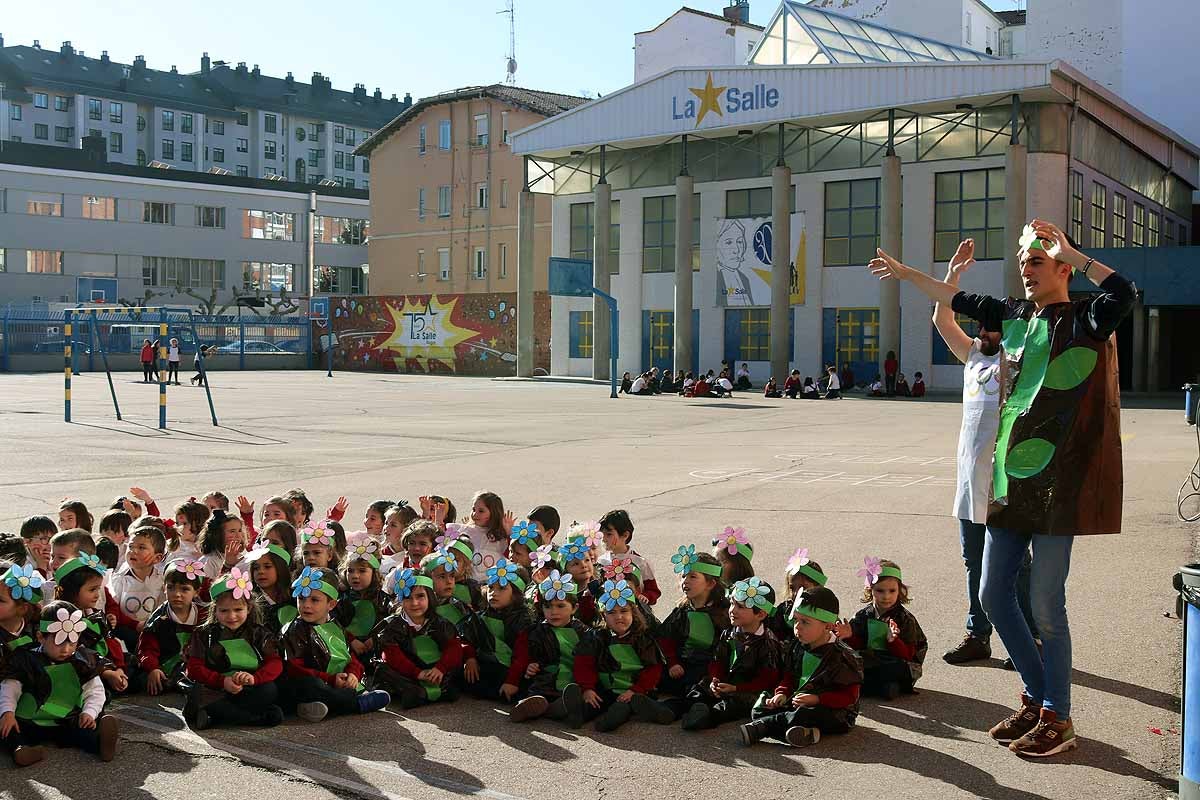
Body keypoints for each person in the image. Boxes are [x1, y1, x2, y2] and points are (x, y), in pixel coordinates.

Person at [868, 218, 1136, 756]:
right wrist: (907, 274)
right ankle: (1038, 700)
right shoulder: (1013, 317)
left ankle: (1057, 716)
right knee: (993, 594)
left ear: (1061, 268)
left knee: (1045, 604)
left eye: (1036, 263)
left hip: (1059, 486)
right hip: (1011, 482)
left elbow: (1124, 292)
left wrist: (1076, 254)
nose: (1027, 271)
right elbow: (954, 298)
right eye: (1024, 265)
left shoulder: (1088, 315)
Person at [930, 239, 1038, 670]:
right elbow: (942, 317)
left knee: (1016, 567)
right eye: (980, 328)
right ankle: (978, 633)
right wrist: (953, 275)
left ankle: (1027, 637)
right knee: (973, 560)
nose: (984, 334)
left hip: (1006, 482)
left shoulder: (1019, 360)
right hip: (969, 482)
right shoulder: (973, 354)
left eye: (992, 329)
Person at [739, 587, 862, 748]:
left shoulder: (843, 656)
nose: (797, 626)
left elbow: (849, 697)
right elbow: (789, 676)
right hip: (798, 702)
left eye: (805, 622)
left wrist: (817, 699)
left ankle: (764, 728)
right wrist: (782, 693)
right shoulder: (798, 645)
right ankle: (806, 734)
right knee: (760, 708)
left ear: (828, 626)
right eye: (796, 620)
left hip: (834, 712)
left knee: (805, 714)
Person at [0, 601, 119, 766]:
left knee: (82, 729)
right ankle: (20, 749)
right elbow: (10, 687)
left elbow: (95, 691)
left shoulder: (82, 659)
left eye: (72, 643)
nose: (66, 649)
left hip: (64, 720)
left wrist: (89, 713)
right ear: (41, 637)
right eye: (59, 642)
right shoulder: (25, 658)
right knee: (7, 728)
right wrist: (8, 712)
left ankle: (100, 742)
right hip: (29, 720)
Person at [184, 569, 285, 729]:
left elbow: (275, 662)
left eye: (238, 610)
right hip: (216, 689)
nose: (231, 616)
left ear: (249, 608)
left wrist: (254, 678)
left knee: (269, 689)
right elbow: (194, 668)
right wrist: (222, 681)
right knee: (273, 715)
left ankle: (215, 715)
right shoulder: (203, 634)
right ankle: (253, 717)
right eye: (224, 610)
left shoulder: (259, 633)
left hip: (247, 688)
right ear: (215, 610)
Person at [678, 578, 782, 731]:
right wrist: (715, 679)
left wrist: (736, 688)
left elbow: (767, 680)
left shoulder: (767, 643)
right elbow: (717, 660)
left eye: (740, 606)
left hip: (747, 690)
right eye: (732, 604)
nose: (732, 610)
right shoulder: (729, 633)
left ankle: (704, 718)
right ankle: (671, 709)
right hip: (725, 683)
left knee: (731, 706)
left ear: (760, 614)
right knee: (699, 689)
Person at [835, 558, 926, 699]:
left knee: (894, 669)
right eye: (880, 591)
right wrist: (850, 636)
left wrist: (893, 641)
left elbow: (908, 655)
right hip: (871, 659)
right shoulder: (863, 615)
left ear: (900, 590)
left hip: (897, 662)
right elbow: (859, 645)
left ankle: (879, 686)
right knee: (845, 661)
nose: (886, 596)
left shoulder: (905, 618)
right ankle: (878, 687)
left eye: (892, 591)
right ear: (870, 590)